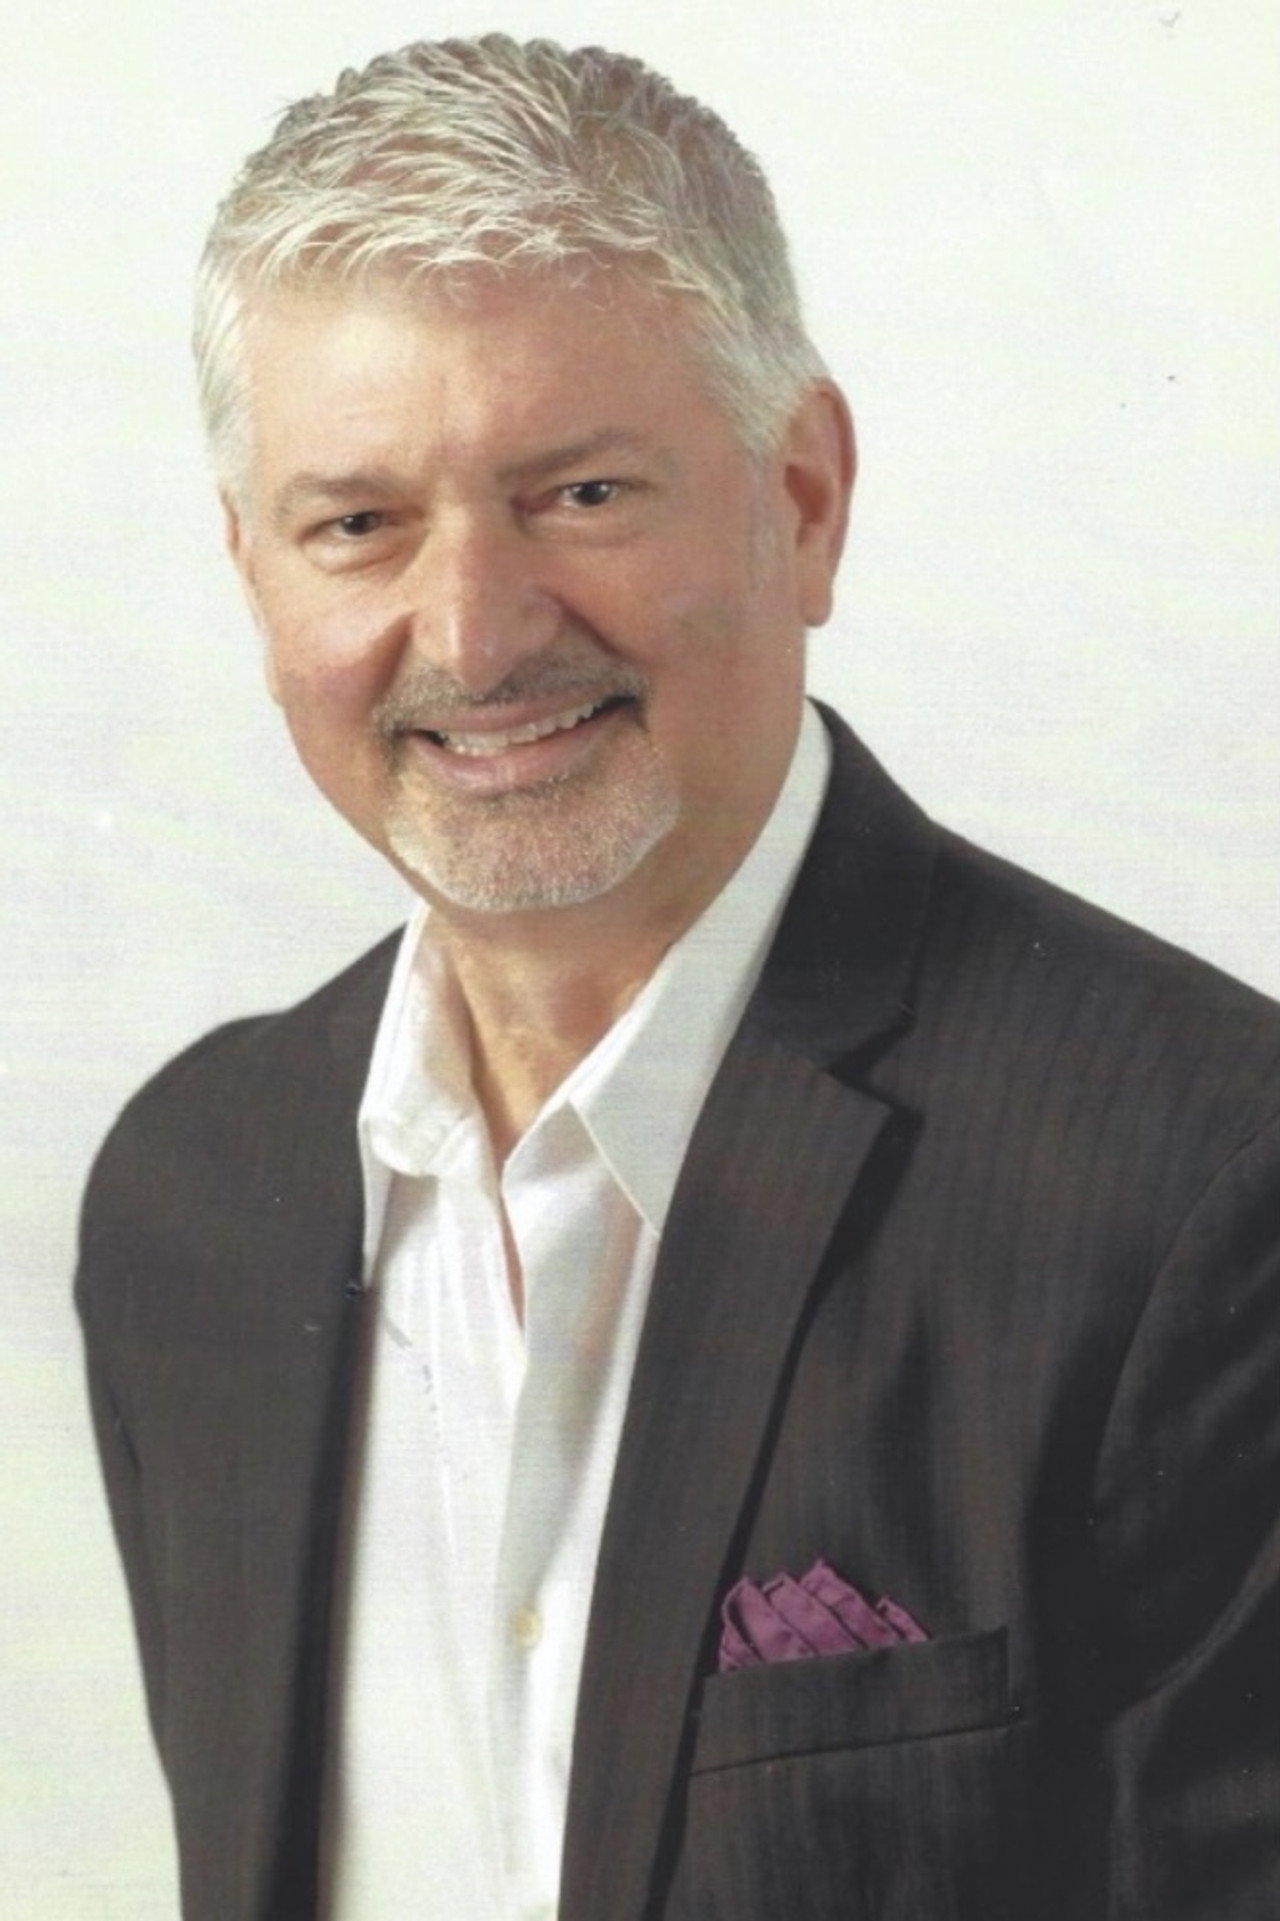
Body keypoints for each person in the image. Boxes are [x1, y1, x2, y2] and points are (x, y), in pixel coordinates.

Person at [75, 33, 1280, 1921]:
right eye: (357, 523)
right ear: (253, 568)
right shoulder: (195, 1195)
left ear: (803, 497)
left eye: (579, 493)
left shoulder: (1204, 1183)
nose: (475, 633)